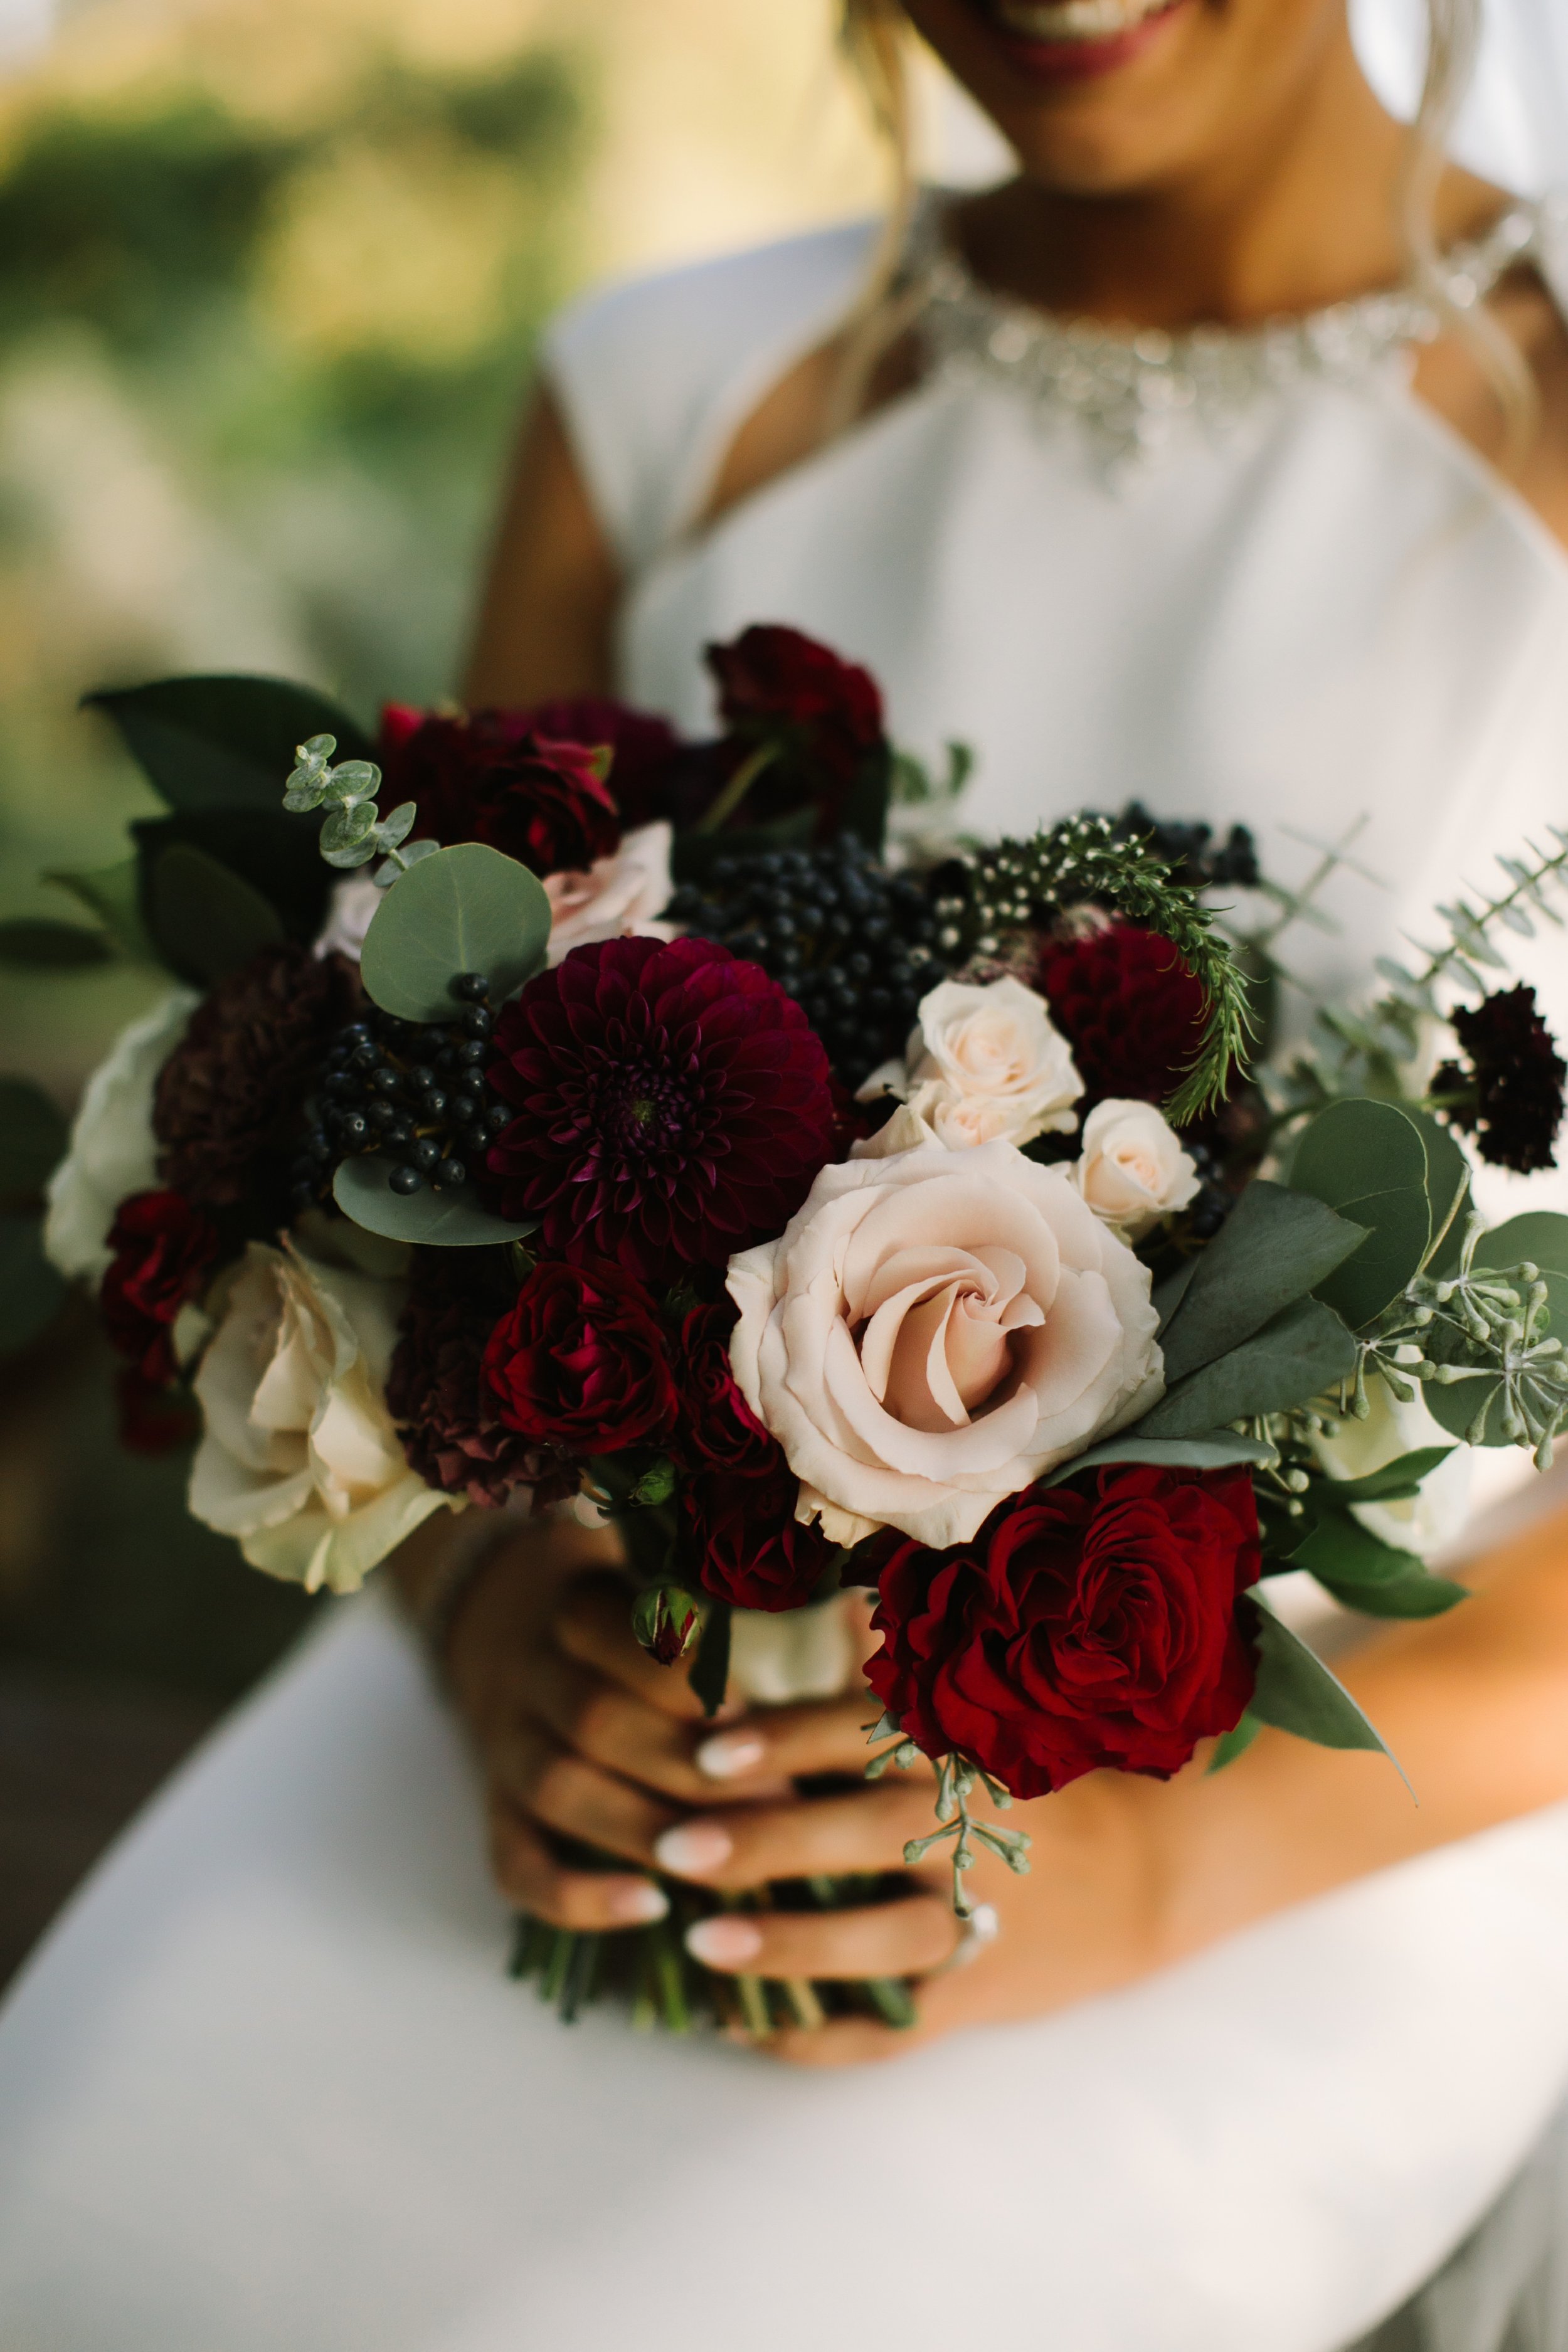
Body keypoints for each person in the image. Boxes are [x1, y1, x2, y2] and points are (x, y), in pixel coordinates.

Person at [4, 3, 1568, 2348]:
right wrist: (490, 1626)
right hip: (609, 1720)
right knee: (86, 2208)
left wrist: (1154, 1859)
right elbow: (421, 1133)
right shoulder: (665, 402)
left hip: (1350, 1797)